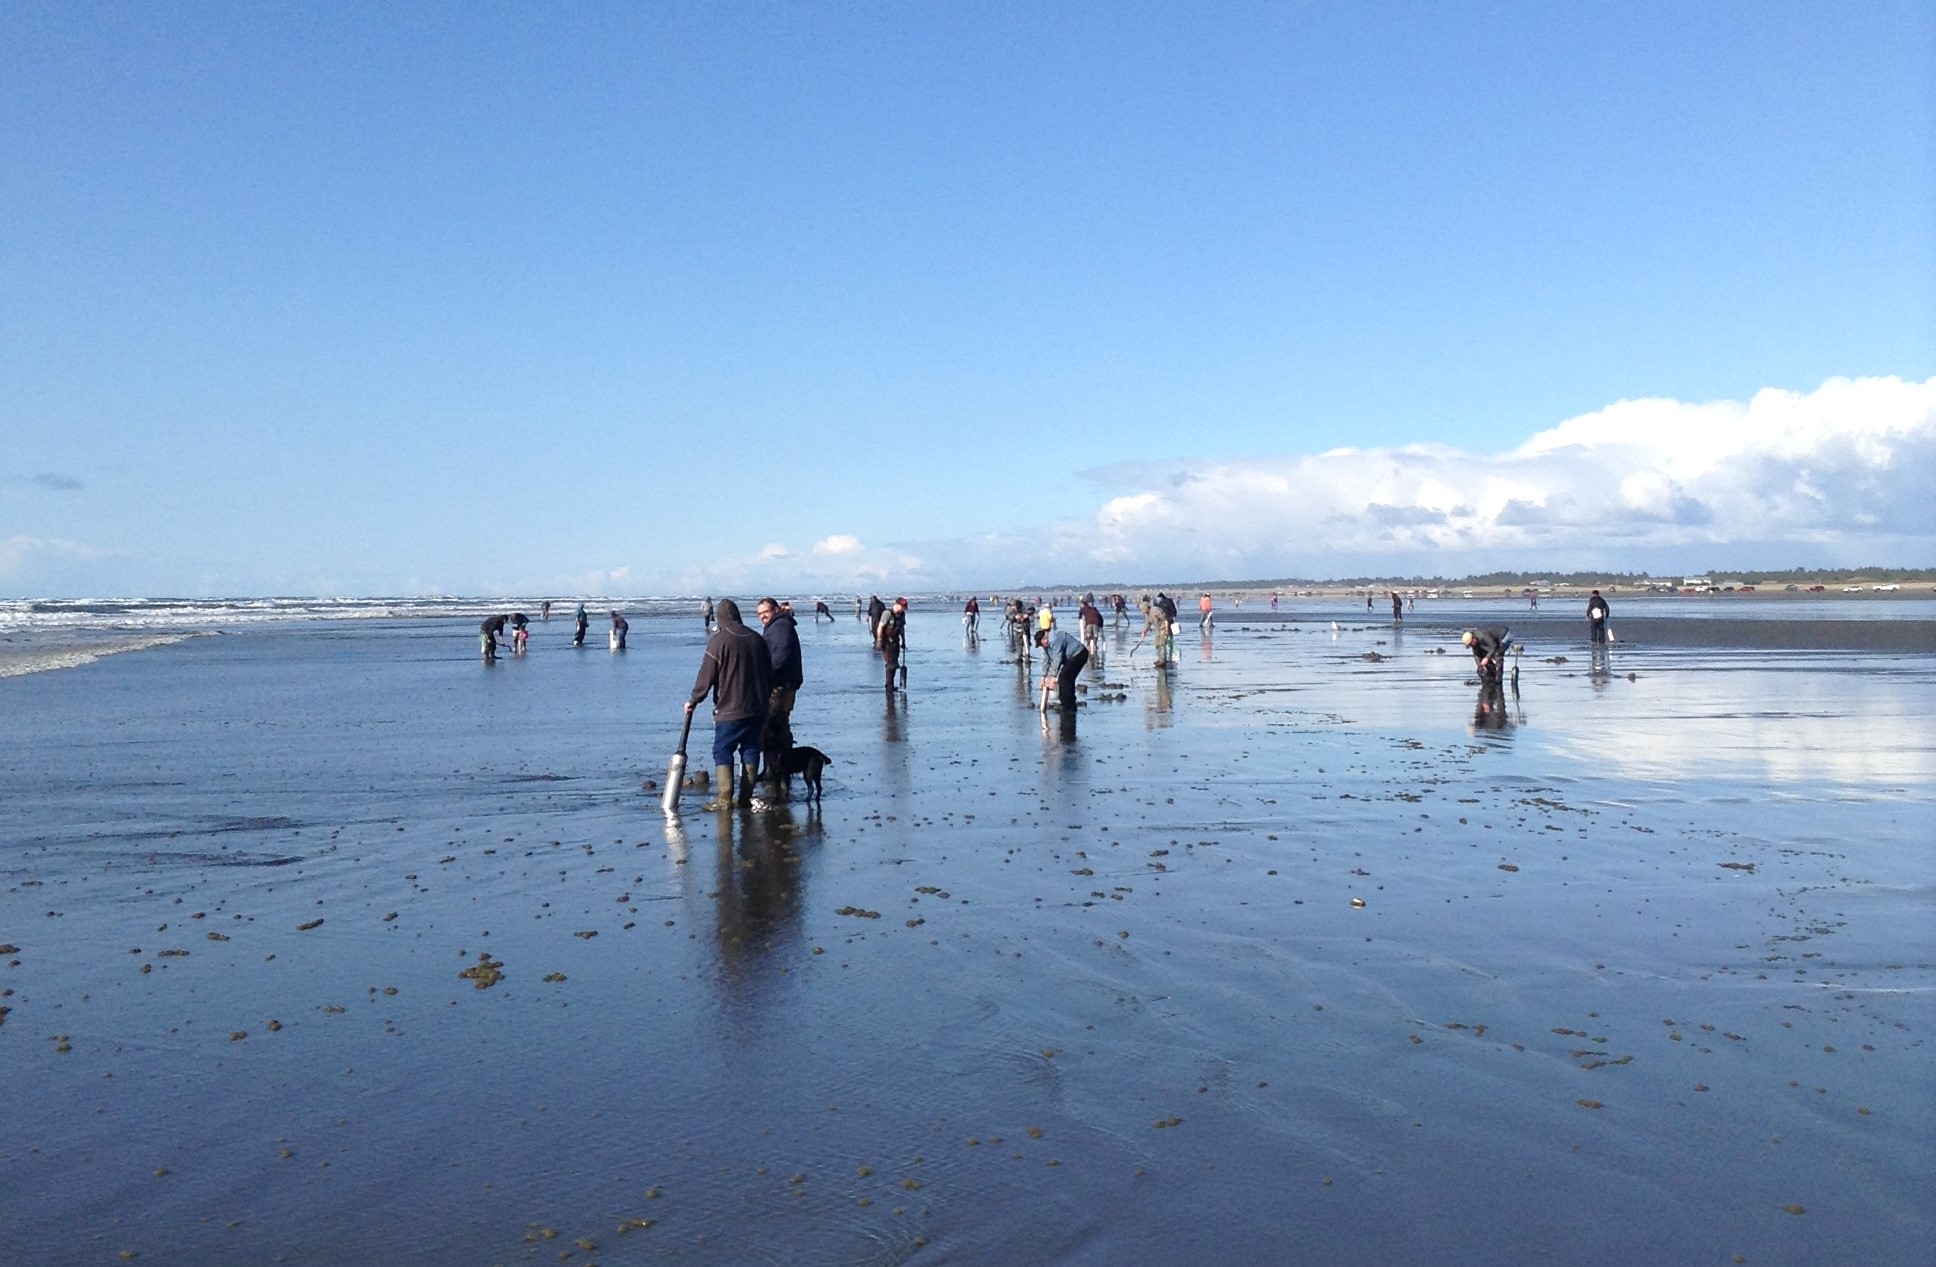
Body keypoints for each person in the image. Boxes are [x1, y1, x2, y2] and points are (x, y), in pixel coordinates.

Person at [685, 599, 772, 810]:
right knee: (751, 749)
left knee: (722, 750)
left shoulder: (719, 641)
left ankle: (724, 799)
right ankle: (744, 798)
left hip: (730, 709)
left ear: (721, 618)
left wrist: (694, 699)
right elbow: (770, 674)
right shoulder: (757, 639)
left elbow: (706, 676)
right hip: (757, 708)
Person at [756, 596, 802, 770]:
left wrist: (766, 674)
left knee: (772, 727)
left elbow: (781, 655)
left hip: (781, 685)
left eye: (765, 612)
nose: (762, 616)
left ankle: (776, 768)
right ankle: (779, 766)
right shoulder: (778, 626)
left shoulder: (781, 627)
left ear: (775, 610)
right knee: (779, 725)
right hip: (784, 683)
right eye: (759, 614)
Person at [1036, 626, 1089, 716]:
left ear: (1044, 639)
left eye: (1041, 644)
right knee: (1068, 679)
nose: (1042, 647)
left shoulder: (1054, 639)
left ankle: (1067, 706)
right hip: (1071, 658)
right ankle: (1070, 705)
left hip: (1079, 654)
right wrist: (1043, 677)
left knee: (1064, 678)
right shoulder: (1047, 645)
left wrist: (1052, 677)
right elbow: (1046, 660)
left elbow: (1057, 658)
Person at [879, 597, 906, 692]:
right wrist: (879, 640)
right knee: (890, 664)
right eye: (903, 607)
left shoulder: (902, 614)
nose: (904, 609)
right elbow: (880, 627)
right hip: (886, 641)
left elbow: (902, 628)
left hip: (896, 641)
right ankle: (889, 686)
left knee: (895, 663)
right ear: (897, 605)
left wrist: (903, 641)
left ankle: (891, 685)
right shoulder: (887, 613)